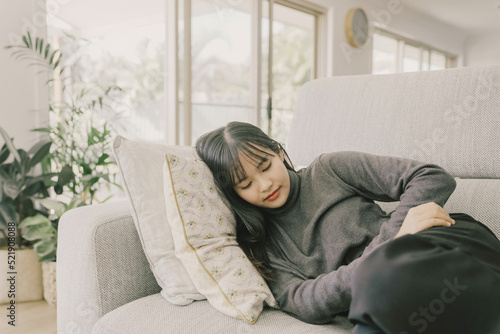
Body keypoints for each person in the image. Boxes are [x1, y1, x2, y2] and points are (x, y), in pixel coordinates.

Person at [195, 121, 500, 334]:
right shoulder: (262, 245)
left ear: (279, 152)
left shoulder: (329, 169)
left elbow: (431, 177)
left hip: (437, 242)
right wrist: (382, 252)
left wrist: (400, 236)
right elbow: (305, 302)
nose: (265, 184)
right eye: (246, 184)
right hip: (386, 293)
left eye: (265, 166)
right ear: (234, 195)